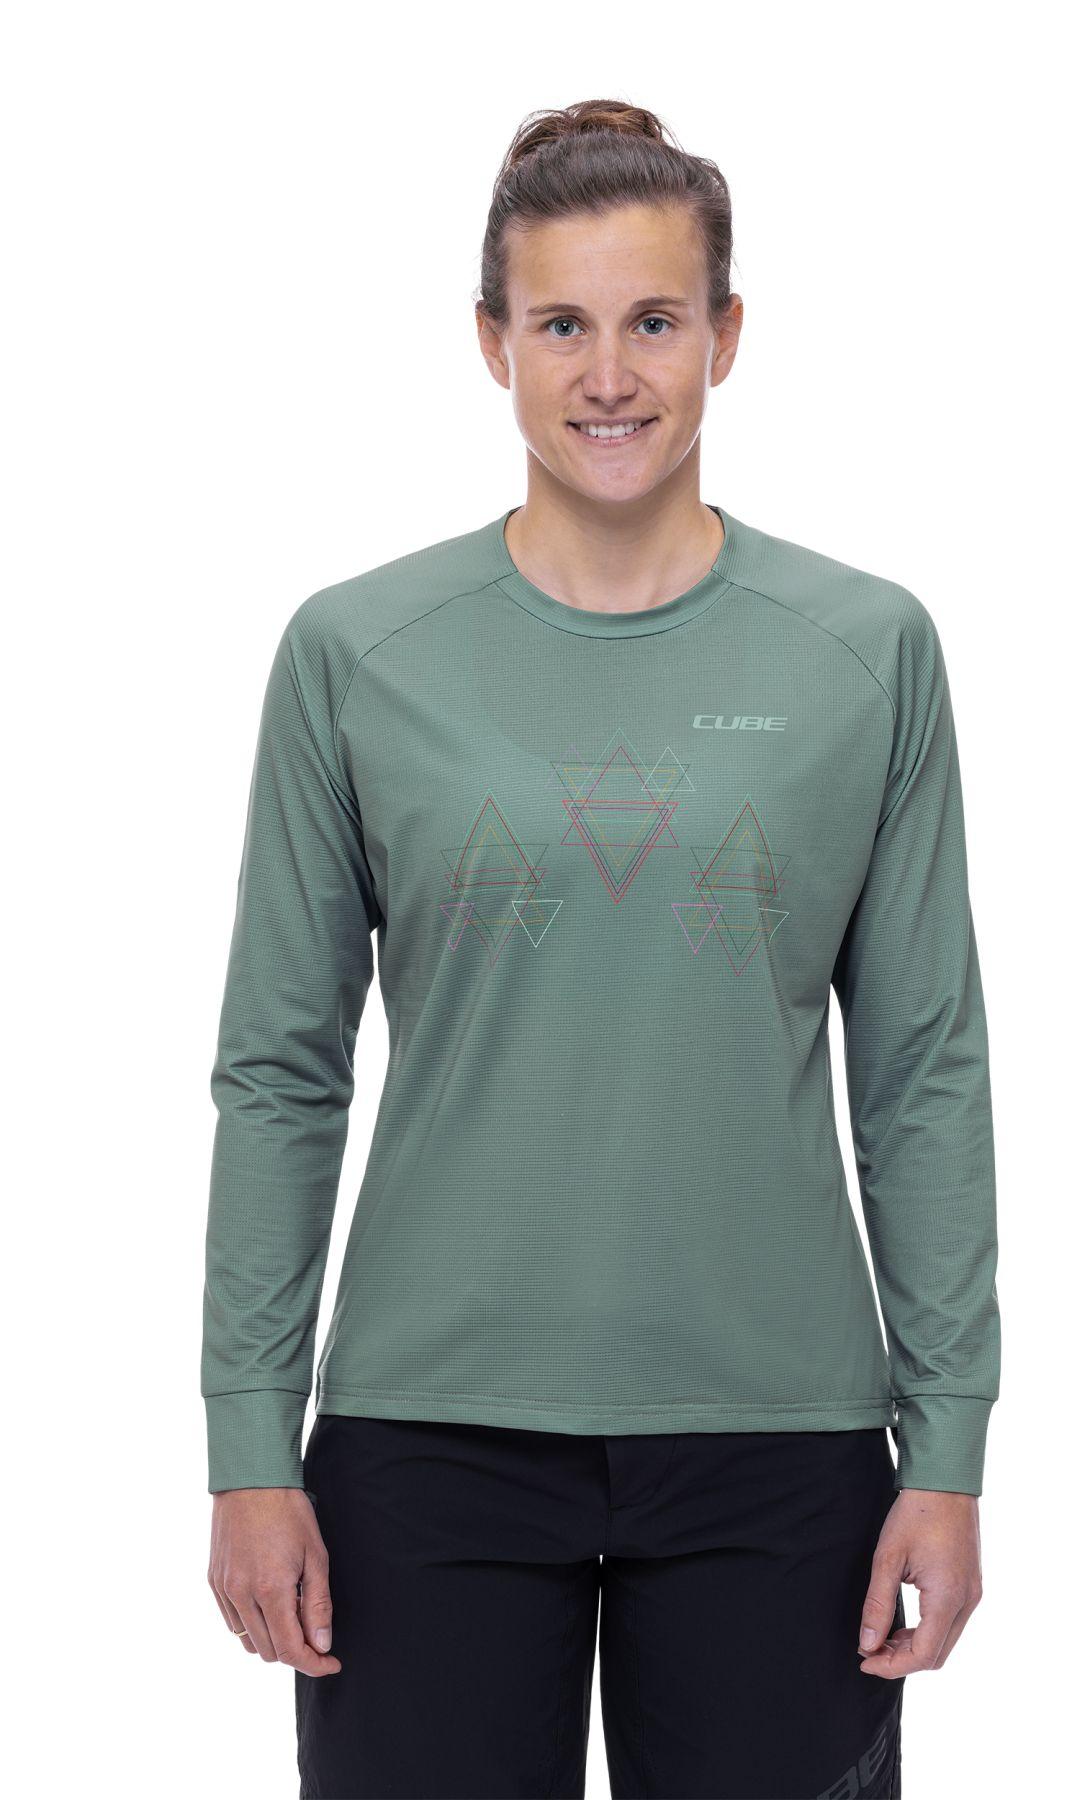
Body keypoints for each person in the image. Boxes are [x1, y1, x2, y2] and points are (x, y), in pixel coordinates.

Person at [202, 98, 1000, 1800]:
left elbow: (924, 1069)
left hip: (781, 1442)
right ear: (493, 343)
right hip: (427, 1439)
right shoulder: (358, 652)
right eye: (561, 324)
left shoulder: (866, 652)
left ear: (727, 334)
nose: (611, 374)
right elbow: (279, 1070)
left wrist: (947, 1447)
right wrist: (247, 1444)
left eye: (655, 321)